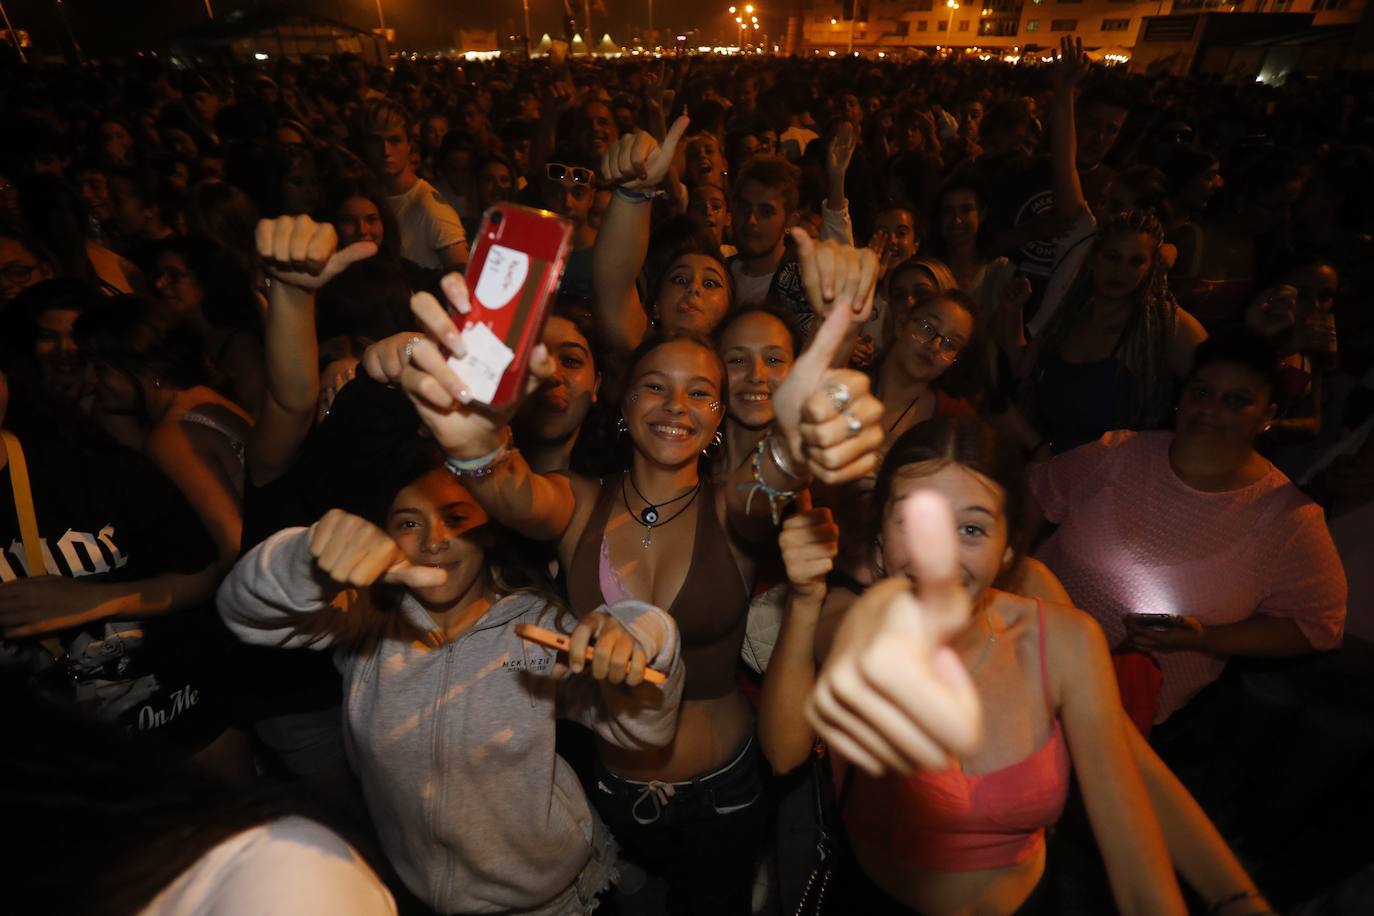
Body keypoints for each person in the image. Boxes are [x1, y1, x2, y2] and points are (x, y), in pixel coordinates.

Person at [398, 226, 886, 914]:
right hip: (610, 791)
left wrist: (793, 441)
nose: (676, 408)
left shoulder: (730, 510)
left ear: (719, 418)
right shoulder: (578, 500)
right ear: (625, 406)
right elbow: (513, 492)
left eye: (699, 395)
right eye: (656, 387)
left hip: (727, 790)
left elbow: (766, 486)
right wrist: (476, 449)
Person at [760, 417, 1269, 915]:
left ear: (1007, 550)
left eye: (971, 528)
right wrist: (805, 599)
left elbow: (1139, 855)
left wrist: (1236, 897)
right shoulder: (855, 623)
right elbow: (786, 753)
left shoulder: (1059, 635)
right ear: (879, 538)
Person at [218, 438, 685, 915]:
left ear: (489, 533)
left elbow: (645, 730)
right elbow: (244, 614)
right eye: (408, 524)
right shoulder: (366, 628)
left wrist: (643, 634)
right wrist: (304, 559)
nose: (433, 541)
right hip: (418, 896)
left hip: (551, 900)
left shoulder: (536, 630)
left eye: (455, 519)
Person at [1030, 329, 1347, 725]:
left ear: (1268, 416)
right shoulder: (1117, 453)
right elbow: (1033, 499)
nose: (1211, 409)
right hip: (1022, 658)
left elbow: (1318, 626)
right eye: (1201, 392)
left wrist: (1206, 639)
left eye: (1237, 401)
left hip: (1112, 715)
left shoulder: (1288, 521)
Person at [358, 99, 469, 271]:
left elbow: (463, 277)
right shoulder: (365, 195)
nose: (385, 150)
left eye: (394, 140)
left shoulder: (432, 208)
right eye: (376, 141)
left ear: (409, 145)